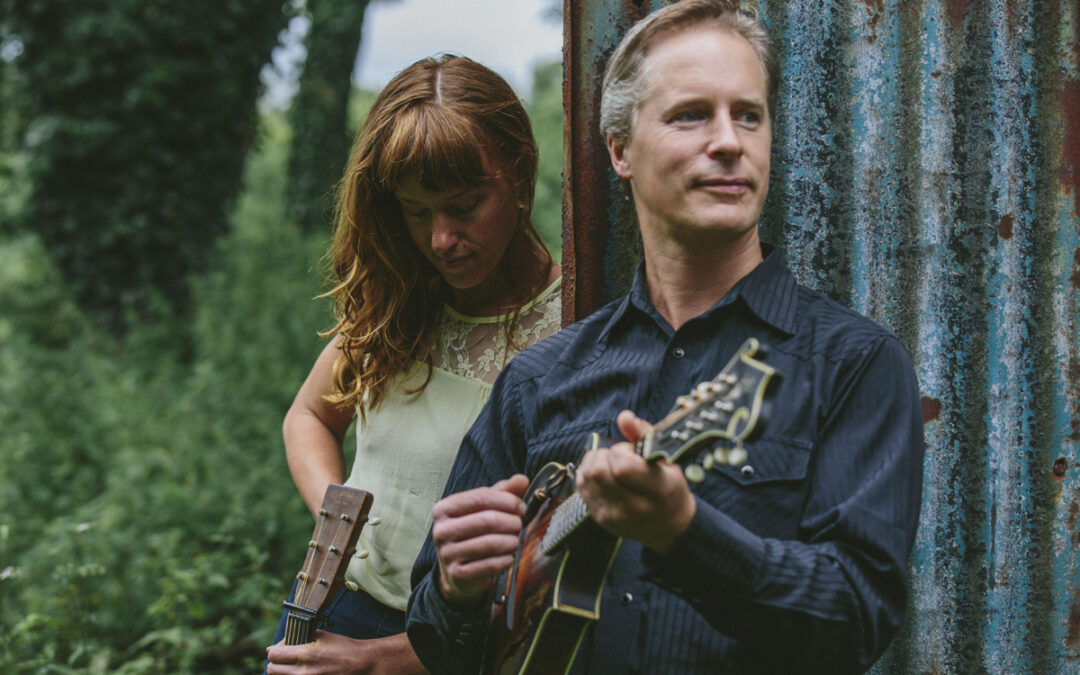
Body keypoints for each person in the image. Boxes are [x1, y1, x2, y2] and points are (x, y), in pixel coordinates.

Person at [405, 2, 925, 673]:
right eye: (691, 115)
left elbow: (856, 622)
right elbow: (440, 646)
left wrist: (686, 532)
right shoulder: (541, 379)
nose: (730, 140)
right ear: (620, 149)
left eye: (748, 114)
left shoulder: (853, 364)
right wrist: (455, 588)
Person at [264, 55, 562, 674]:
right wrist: (338, 523)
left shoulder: (573, 330)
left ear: (521, 174)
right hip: (326, 609)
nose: (441, 240)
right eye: (417, 210)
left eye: (464, 205)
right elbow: (308, 418)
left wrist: (376, 662)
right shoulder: (401, 296)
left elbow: (548, 579)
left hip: (445, 650)